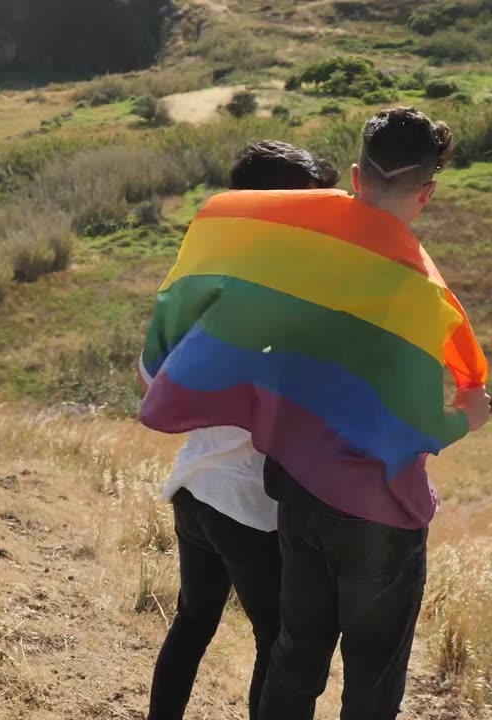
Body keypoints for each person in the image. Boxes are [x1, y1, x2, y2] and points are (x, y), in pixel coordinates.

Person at [257, 108, 492, 720]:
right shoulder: (418, 291)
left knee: (294, 657)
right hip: (379, 517)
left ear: (357, 178)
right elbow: (415, 425)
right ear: (428, 194)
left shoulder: (301, 261)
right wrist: (469, 417)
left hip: (299, 494)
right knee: (372, 679)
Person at [144, 140, 342, 720]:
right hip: (246, 504)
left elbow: (152, 372)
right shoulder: (286, 289)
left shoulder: (216, 277)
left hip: (195, 487)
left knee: (193, 621)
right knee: (277, 641)